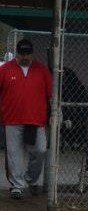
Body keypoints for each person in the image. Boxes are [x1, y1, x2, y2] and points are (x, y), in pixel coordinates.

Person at [0, 39, 52, 199]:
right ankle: (17, 186)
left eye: (27, 54)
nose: (24, 57)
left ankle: (31, 179)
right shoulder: (5, 69)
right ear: (17, 53)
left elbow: (50, 94)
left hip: (35, 120)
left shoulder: (41, 70)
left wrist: (51, 115)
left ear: (32, 54)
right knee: (14, 155)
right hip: (12, 119)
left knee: (40, 150)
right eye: (22, 54)